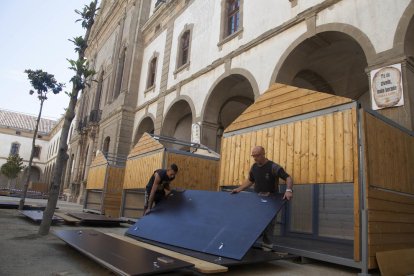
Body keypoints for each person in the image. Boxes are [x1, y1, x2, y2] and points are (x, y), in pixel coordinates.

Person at [231, 146, 293, 251]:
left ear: (263, 154)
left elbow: (288, 178)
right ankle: (250, 242)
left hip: (271, 199)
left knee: (269, 222)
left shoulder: (273, 166)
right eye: (253, 156)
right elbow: (250, 180)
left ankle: (267, 245)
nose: (255, 158)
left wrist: (288, 190)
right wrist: (239, 188)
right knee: (255, 220)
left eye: (257, 156)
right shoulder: (254, 167)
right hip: (257, 199)